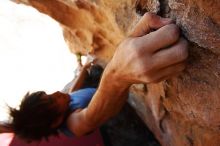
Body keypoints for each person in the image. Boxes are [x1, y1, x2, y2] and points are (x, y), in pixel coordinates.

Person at [0, 13, 188, 142]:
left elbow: (73, 90)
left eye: (49, 94)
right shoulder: (75, 124)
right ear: (56, 121)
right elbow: (89, 117)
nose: (57, 92)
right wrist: (117, 73)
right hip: (122, 114)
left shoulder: (66, 104)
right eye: (51, 99)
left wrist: (84, 66)